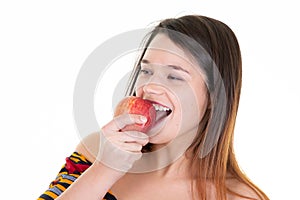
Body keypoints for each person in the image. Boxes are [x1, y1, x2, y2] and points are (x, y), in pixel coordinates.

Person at [38, 15, 269, 200]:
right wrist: (103, 171)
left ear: (214, 97)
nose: (149, 87)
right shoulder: (95, 152)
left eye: (174, 77)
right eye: (146, 71)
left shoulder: (236, 196)